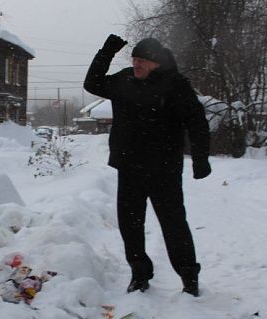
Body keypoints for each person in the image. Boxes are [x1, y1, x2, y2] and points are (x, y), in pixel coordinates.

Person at [83, 34, 211, 297]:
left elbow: (197, 121)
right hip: (129, 167)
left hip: (164, 169)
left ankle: (189, 277)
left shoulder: (175, 85)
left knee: (174, 224)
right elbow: (92, 83)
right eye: (134, 59)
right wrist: (107, 51)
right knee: (130, 224)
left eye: (141, 60)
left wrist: (200, 159)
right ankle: (139, 274)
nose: (136, 64)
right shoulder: (124, 80)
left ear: (156, 63)